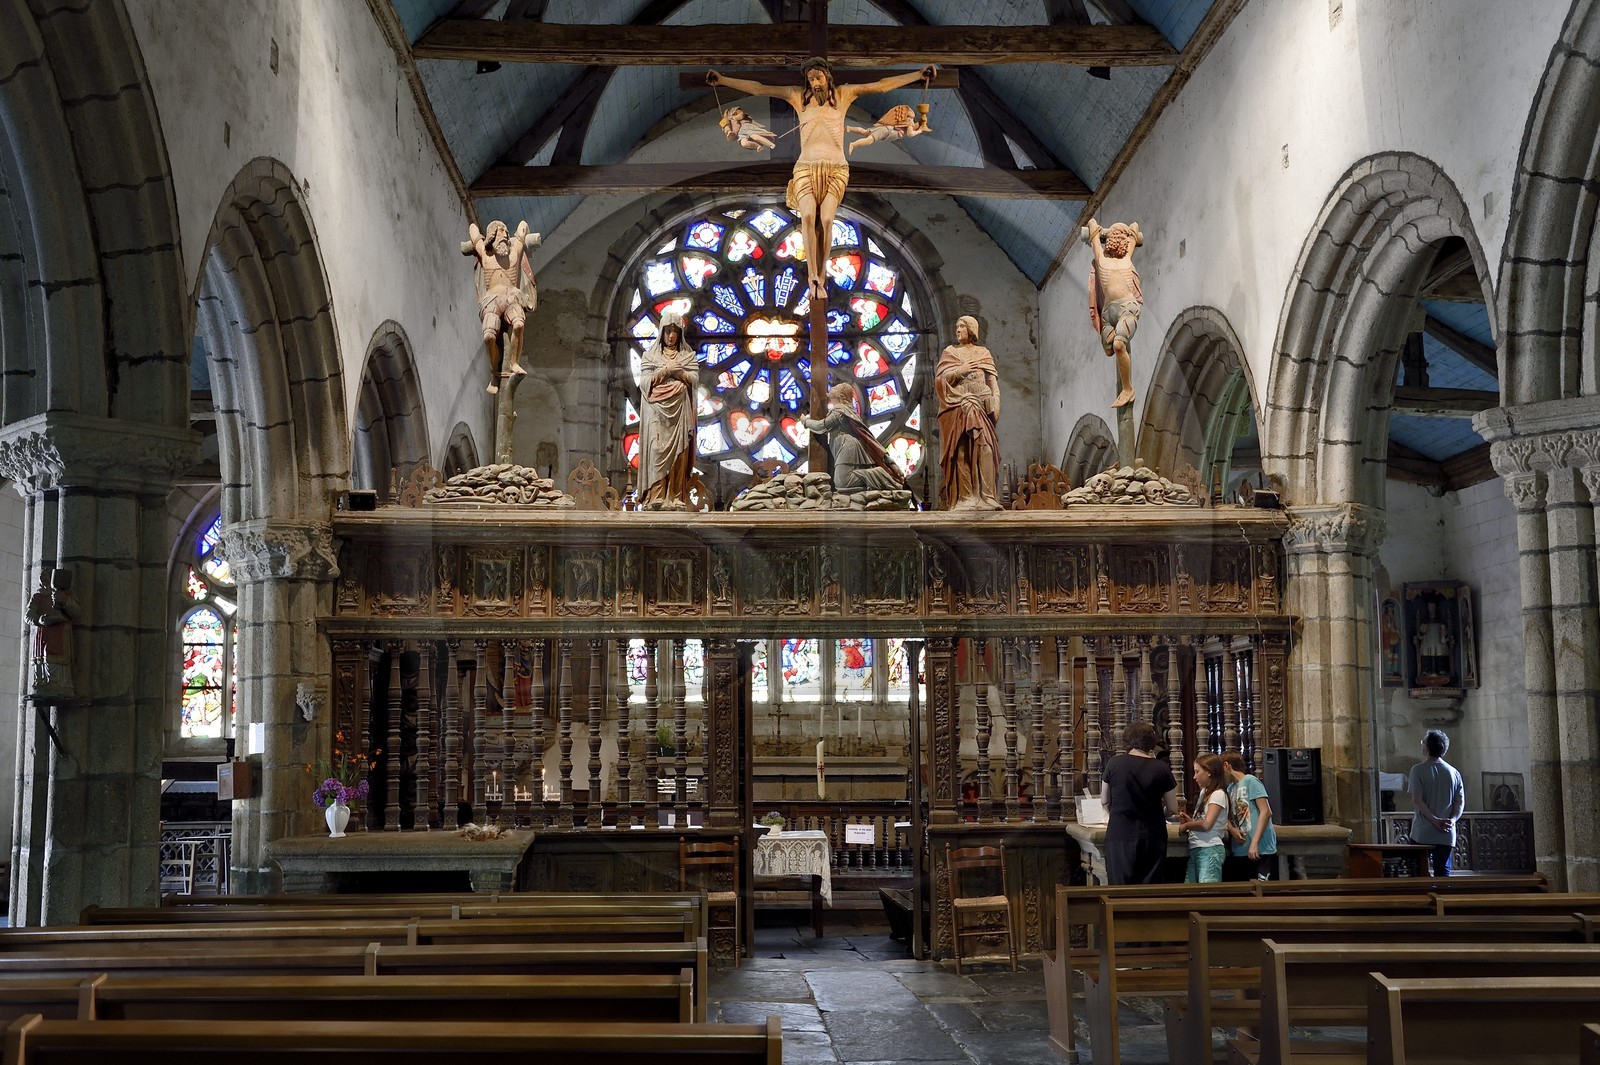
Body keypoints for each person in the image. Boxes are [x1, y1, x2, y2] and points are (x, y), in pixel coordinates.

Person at [707, 60, 936, 300]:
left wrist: (916, 75)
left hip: (836, 168)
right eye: (811, 79)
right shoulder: (797, 97)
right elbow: (759, 88)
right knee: (806, 216)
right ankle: (812, 277)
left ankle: (822, 277)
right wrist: (723, 80)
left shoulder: (844, 95)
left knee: (827, 219)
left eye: (818, 77)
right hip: (806, 166)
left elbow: (880, 86)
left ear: (827, 76)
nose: (815, 83)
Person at [463, 219, 540, 394]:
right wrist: (481, 236)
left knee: (519, 324)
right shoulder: (485, 254)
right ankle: (495, 374)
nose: (505, 235)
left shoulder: (514, 253)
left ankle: (514, 362)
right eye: (501, 232)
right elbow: (473, 229)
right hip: (492, 300)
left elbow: (522, 225)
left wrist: (517, 235)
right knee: (489, 336)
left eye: (506, 232)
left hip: (512, 297)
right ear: (492, 236)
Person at [935, 315, 1002, 511]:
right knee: (960, 450)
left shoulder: (983, 353)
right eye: (956, 326)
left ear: (971, 329)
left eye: (962, 327)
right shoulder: (949, 353)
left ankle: (987, 496)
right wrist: (959, 371)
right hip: (956, 406)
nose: (958, 330)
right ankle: (965, 498)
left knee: (986, 448)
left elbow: (992, 381)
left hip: (980, 407)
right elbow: (940, 381)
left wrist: (996, 401)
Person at [1099, 720, 1178, 885]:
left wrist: (1116, 812)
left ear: (1127, 740)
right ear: (1151, 741)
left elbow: (1105, 800)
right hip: (1152, 834)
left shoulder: (1114, 763)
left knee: (1120, 888)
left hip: (1120, 832)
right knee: (1150, 890)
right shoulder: (1161, 767)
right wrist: (1161, 813)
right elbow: (1172, 808)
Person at [636, 313, 698, 509]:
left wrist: (678, 372)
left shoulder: (688, 356)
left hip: (679, 410)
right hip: (656, 411)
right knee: (656, 449)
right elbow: (644, 383)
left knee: (680, 454)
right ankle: (656, 497)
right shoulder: (650, 356)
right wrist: (665, 371)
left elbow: (694, 380)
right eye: (668, 331)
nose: (671, 335)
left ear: (680, 334)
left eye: (675, 331)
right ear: (661, 332)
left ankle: (676, 496)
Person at [801, 382, 907, 493]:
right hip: (844, 445)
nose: (832, 387)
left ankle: (881, 476)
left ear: (840, 395)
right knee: (843, 483)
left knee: (843, 482)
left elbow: (822, 426)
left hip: (847, 446)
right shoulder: (843, 410)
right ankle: (873, 482)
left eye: (836, 387)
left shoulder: (840, 411)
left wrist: (805, 422)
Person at [1084, 217, 1144, 409]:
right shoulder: (1102, 260)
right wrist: (1097, 228)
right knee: (1109, 348)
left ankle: (1128, 389)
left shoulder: (1127, 258)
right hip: (1108, 314)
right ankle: (1122, 372)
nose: (1124, 243)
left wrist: (1125, 230)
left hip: (1128, 307)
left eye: (1125, 240)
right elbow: (1093, 230)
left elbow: (1134, 228)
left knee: (1119, 345)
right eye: (1120, 239)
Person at [1408, 728, 1465, 876]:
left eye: (1423, 742)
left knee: (1418, 873)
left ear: (1427, 747)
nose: (1421, 745)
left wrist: (1434, 820)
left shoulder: (1418, 770)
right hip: (1446, 833)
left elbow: (1417, 800)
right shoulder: (1454, 772)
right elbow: (1459, 802)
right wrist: (1452, 820)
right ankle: (1443, 899)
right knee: (1443, 875)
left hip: (1422, 832)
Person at [1221, 750, 1277, 880]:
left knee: (1261, 890)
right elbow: (1227, 817)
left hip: (1260, 847)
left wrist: (1255, 842)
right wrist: (1232, 829)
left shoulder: (1251, 781)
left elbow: (1266, 811)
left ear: (1226, 765)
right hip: (1241, 848)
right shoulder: (1230, 789)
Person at [1179, 753, 1229, 883]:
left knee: (1208, 894)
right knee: (1190, 892)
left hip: (1209, 848)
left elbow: (1207, 824)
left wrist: (1186, 826)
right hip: (1197, 847)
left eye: (1197, 772)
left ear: (1209, 772)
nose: (1194, 777)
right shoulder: (1204, 792)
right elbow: (1203, 819)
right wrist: (1190, 820)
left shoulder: (1218, 794)